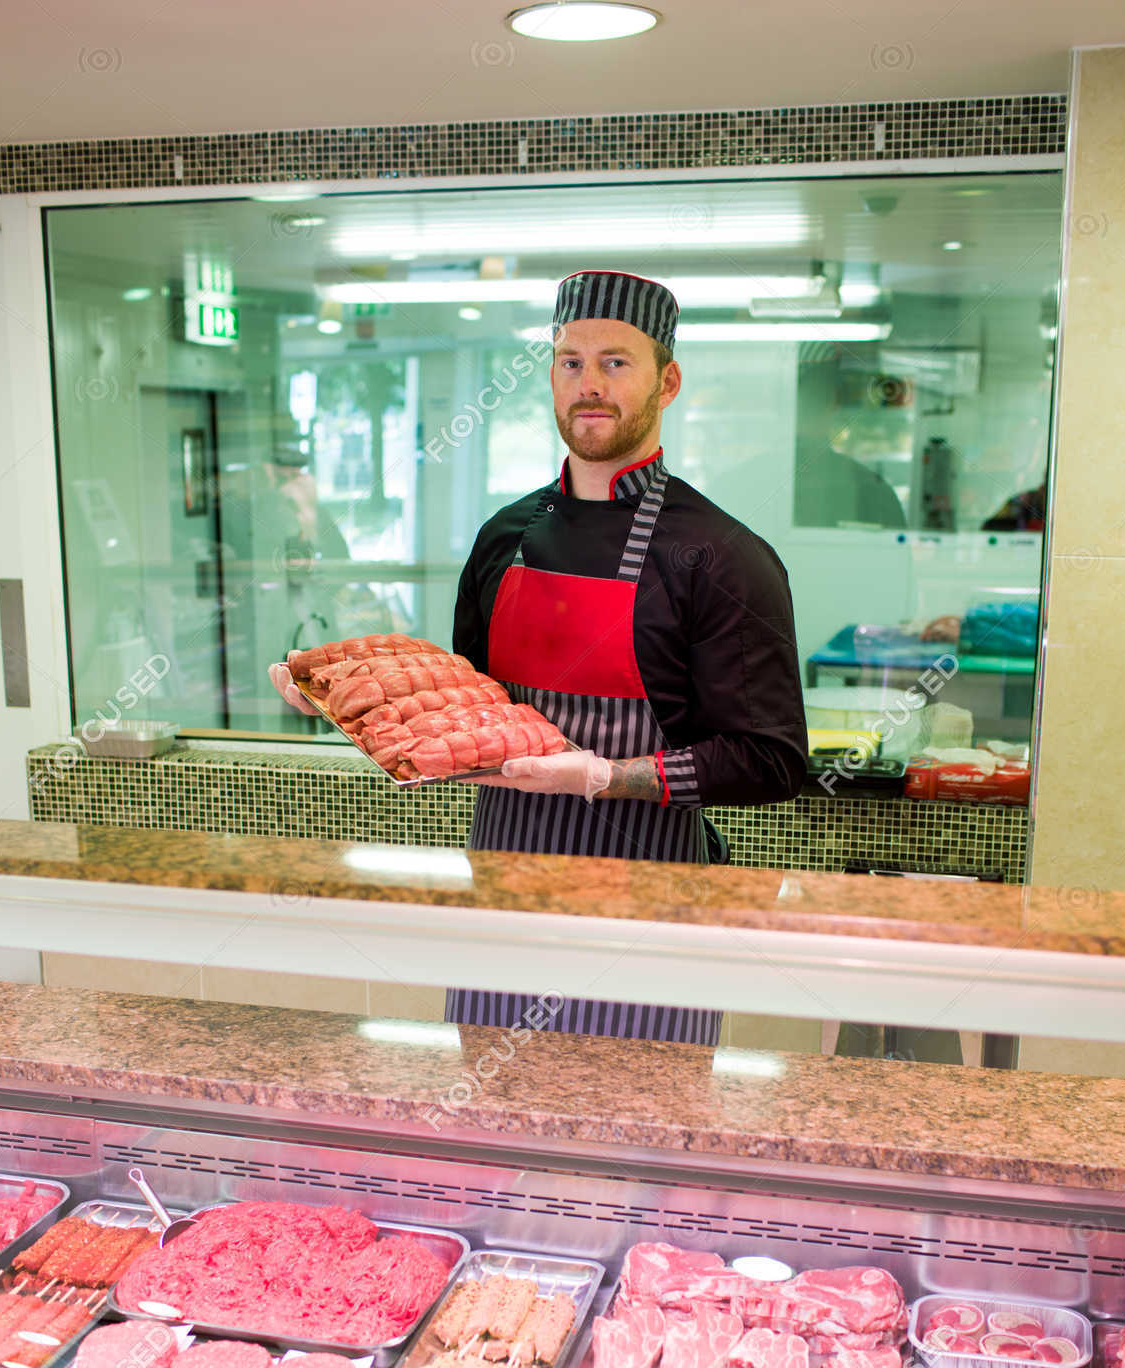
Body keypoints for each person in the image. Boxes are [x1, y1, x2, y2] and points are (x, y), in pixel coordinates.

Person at [273, 270, 808, 1044]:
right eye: (570, 362)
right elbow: (464, 711)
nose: (589, 384)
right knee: (494, 1134)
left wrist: (603, 777)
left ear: (669, 381)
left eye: (616, 362)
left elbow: (772, 759)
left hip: (647, 900)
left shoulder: (720, 556)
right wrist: (334, 690)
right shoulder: (505, 537)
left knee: (635, 1137)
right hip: (504, 894)